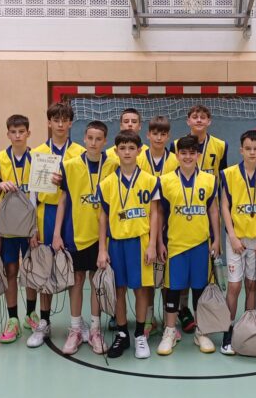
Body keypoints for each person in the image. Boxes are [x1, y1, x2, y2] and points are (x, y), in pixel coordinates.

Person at [52, 120, 118, 355]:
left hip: (102, 236)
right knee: (77, 281)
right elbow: (63, 201)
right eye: (90, 138)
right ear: (84, 139)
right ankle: (75, 329)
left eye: (98, 139)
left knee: (97, 281)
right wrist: (57, 233)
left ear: (105, 141)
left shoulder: (113, 165)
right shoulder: (69, 166)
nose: (93, 143)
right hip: (76, 233)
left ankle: (95, 330)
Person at [27, 102, 85, 348]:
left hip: (74, 215)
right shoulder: (37, 152)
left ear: (71, 123)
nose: (60, 124)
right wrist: (32, 226)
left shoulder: (80, 152)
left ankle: (76, 323)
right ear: (49, 123)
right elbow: (32, 192)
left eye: (64, 120)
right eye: (56, 120)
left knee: (76, 271)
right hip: (46, 214)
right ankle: (44, 322)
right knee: (44, 269)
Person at [156, 135, 221, 356]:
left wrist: (217, 239)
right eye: (183, 153)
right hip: (175, 243)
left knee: (199, 289)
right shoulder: (165, 181)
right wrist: (159, 242)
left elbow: (213, 210)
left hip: (201, 243)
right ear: (176, 155)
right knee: (173, 288)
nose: (187, 157)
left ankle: (201, 331)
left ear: (198, 155)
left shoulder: (209, 180)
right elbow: (159, 213)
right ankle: (170, 331)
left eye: (192, 153)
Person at [97, 130, 159, 359]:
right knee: (119, 290)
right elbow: (103, 217)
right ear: (115, 151)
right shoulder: (107, 183)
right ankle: (122, 334)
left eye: (131, 148)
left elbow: (154, 213)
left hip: (140, 242)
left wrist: (152, 245)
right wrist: (102, 249)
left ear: (139, 151)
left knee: (140, 289)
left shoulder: (150, 180)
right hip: (116, 243)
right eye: (122, 148)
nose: (127, 152)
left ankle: (140, 335)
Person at [171, 104, 227, 332]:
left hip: (207, 208)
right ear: (188, 121)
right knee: (181, 268)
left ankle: (203, 313)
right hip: (182, 213)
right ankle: (182, 309)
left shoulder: (220, 146)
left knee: (203, 268)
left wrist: (218, 235)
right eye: (195, 117)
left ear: (209, 121)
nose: (199, 120)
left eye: (203, 117)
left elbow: (222, 180)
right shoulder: (176, 145)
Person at [219, 130, 256, 355]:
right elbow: (224, 206)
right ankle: (228, 330)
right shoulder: (229, 174)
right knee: (234, 286)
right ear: (241, 150)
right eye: (248, 148)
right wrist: (231, 235)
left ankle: (248, 329)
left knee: (252, 285)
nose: (252, 152)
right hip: (236, 239)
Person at [0, 114, 37, 343]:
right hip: (8, 226)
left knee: (31, 271)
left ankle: (31, 314)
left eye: (21, 132)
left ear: (28, 133)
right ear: (8, 134)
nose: (18, 136)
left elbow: (43, 195)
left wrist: (36, 229)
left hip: (30, 226)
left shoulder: (37, 158)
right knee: (11, 270)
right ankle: (13, 319)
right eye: (13, 132)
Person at [137, 115, 179, 337]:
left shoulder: (175, 161)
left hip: (171, 225)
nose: (159, 138)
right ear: (148, 135)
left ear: (168, 137)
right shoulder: (138, 159)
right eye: (155, 133)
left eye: (163, 134)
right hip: (144, 224)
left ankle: (168, 320)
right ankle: (149, 318)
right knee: (148, 277)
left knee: (167, 277)